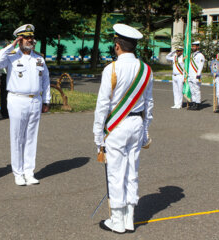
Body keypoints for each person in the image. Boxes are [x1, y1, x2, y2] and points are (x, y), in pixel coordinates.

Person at [93, 23, 153, 234]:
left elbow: (102, 105)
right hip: (136, 123)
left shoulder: (112, 69)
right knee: (132, 171)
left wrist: (98, 136)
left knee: (116, 173)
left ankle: (116, 220)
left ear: (117, 45)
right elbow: (149, 104)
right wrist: (145, 132)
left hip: (116, 127)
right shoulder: (146, 70)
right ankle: (130, 218)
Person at [0, 24, 51, 186]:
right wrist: (11, 45)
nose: (30, 40)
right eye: (25, 37)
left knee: (31, 137)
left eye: (31, 37)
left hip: (35, 100)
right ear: (19, 39)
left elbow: (45, 80)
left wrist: (47, 100)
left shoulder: (39, 58)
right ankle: (18, 172)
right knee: (17, 137)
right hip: (17, 99)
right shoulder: (11, 56)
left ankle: (29, 172)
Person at [187, 41, 205, 110]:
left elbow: (200, 66)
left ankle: (197, 103)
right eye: (192, 46)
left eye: (194, 46)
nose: (193, 47)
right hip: (190, 75)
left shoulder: (200, 55)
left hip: (196, 75)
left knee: (196, 90)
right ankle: (194, 102)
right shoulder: (192, 55)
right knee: (192, 90)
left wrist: (198, 75)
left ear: (198, 47)